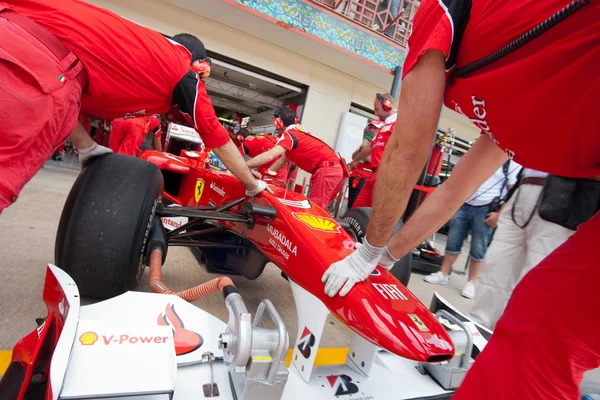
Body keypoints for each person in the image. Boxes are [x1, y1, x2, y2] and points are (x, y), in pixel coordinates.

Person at [321, 0, 599, 398]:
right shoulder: (522, 96)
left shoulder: (441, 10)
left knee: (537, 340)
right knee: (530, 330)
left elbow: (408, 150)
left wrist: (368, 251)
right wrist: (388, 253)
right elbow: (454, 191)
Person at [0, 0, 267, 213]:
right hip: (35, 73)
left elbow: (70, 105)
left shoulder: (129, 46)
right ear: (195, 61)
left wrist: (87, 147)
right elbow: (217, 137)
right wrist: (253, 186)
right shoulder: (181, 69)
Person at [469, 168, 576, 329]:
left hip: (566, 191)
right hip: (523, 188)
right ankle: (478, 330)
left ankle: (512, 338)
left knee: (536, 281)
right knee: (495, 269)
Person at [423, 161, 520, 299]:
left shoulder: (511, 163)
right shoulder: (485, 153)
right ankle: (443, 274)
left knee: (478, 247)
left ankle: (471, 282)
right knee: (453, 241)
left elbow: (512, 190)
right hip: (465, 203)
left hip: (486, 208)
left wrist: (499, 214)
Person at [246, 107, 345, 209]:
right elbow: (281, 161)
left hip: (327, 169)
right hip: (332, 169)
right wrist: (265, 177)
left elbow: (270, 155)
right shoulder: (299, 132)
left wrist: (244, 165)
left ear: (279, 121)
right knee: (317, 207)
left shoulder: (290, 135)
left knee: (316, 208)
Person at [349, 93, 397, 208]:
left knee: (376, 214)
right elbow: (369, 148)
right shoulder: (384, 127)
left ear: (387, 105)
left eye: (377, 109)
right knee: (357, 211)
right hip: (374, 176)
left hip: (386, 176)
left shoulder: (400, 124)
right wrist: (353, 161)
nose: (375, 113)